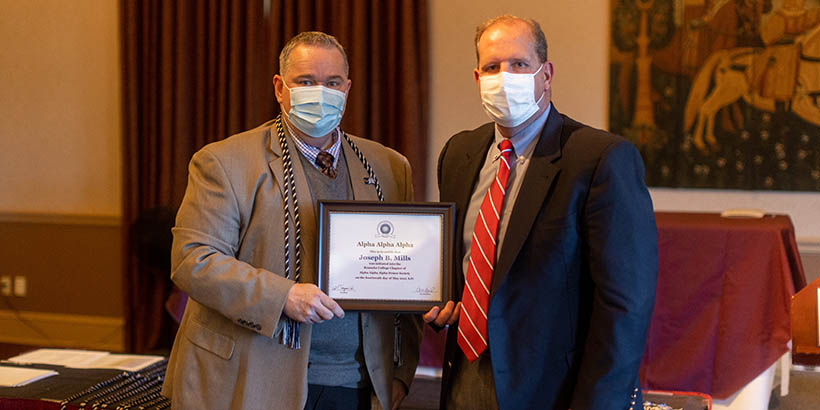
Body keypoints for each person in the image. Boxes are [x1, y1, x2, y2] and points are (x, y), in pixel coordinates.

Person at [162, 31, 422, 410]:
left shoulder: (388, 166)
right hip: (251, 383)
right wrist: (281, 296)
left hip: (358, 384)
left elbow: (406, 278)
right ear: (280, 89)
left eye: (332, 83)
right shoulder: (224, 161)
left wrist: (400, 374)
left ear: (347, 89)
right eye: (305, 82)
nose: (321, 92)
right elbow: (192, 259)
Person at [424, 15, 658, 410]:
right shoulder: (458, 154)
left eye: (519, 64)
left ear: (546, 74)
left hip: (557, 390)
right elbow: (465, 262)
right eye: (492, 67)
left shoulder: (601, 158)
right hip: (466, 376)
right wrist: (438, 298)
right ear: (478, 78)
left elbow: (625, 305)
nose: (505, 76)